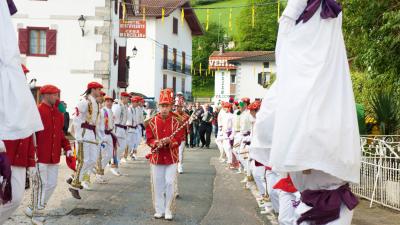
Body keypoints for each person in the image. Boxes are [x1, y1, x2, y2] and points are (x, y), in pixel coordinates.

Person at [270, 1, 361, 224]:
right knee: (308, 95)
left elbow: (285, 34)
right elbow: (286, 33)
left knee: (317, 92)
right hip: (311, 196)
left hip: (329, 194)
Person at [146, 89, 184, 221]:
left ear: (170, 106)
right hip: (157, 158)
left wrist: (170, 141)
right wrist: (156, 143)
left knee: (169, 182)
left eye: (167, 106)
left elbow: (179, 139)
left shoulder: (177, 121)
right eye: (162, 106)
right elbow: (149, 139)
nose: (164, 109)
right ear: (158, 106)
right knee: (158, 184)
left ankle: (168, 209)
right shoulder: (151, 122)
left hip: (171, 157)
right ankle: (159, 209)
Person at [68, 82, 103, 198]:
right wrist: (78, 136)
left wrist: (98, 136)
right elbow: (76, 119)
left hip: (91, 133)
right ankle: (74, 185)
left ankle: (74, 177)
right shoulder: (84, 102)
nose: (99, 92)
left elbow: (96, 122)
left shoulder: (96, 104)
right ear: (92, 89)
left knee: (92, 160)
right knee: (83, 160)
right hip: (83, 133)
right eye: (98, 89)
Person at [111, 92, 129, 176]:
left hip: (123, 129)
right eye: (127, 98)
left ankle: (116, 166)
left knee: (121, 148)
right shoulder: (117, 106)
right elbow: (113, 118)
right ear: (123, 98)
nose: (128, 99)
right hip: (117, 129)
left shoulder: (125, 107)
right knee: (116, 149)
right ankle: (113, 166)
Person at [174, 96, 190, 174]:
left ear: (182, 107)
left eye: (179, 106)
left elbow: (187, 124)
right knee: (173, 152)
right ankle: (174, 165)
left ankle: (180, 166)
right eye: (177, 106)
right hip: (173, 136)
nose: (178, 108)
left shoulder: (186, 116)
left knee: (180, 152)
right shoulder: (172, 114)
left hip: (181, 136)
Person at [126, 96, 140, 161]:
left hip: (134, 128)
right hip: (129, 128)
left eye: (137, 102)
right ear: (133, 102)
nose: (137, 103)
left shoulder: (136, 109)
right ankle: (125, 156)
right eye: (136, 102)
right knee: (128, 143)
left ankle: (130, 155)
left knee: (133, 143)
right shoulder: (129, 109)